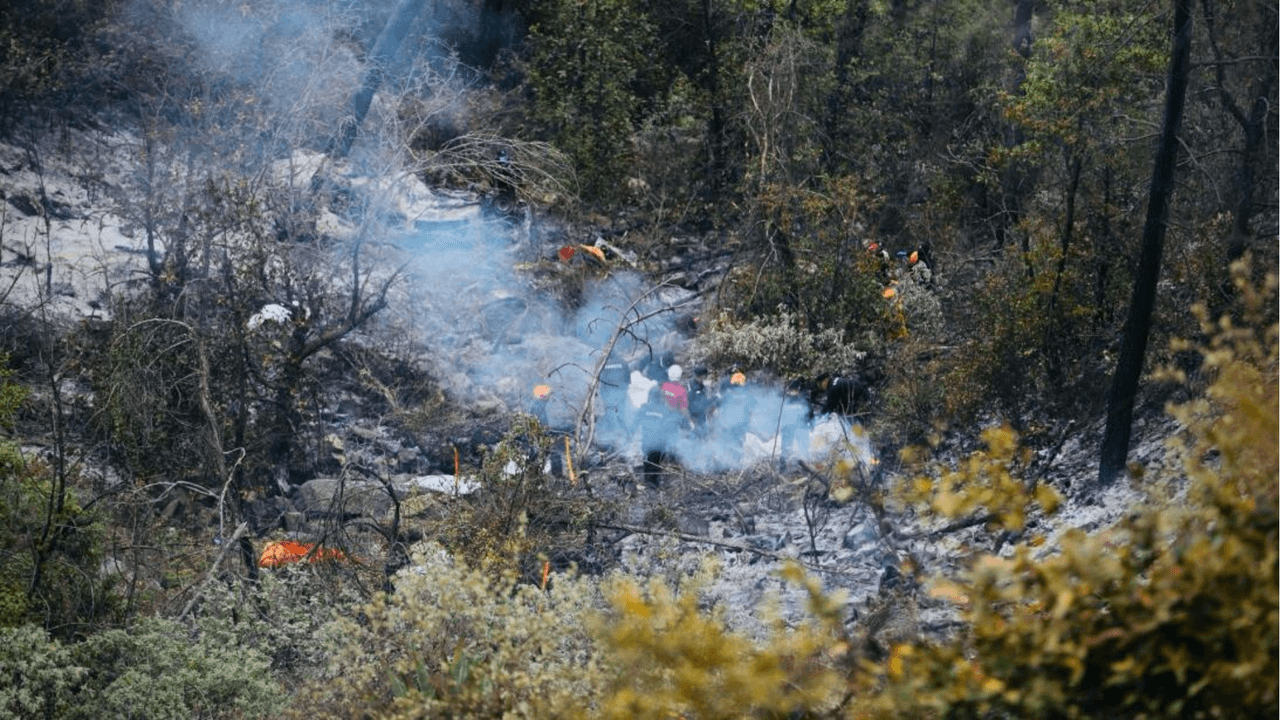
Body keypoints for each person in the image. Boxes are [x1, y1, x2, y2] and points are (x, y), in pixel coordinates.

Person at [639, 383, 682, 487]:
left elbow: (635, 423)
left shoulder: (644, 408)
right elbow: (670, 427)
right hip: (659, 444)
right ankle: (652, 484)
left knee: (648, 460)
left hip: (646, 443)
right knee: (655, 464)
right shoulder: (665, 410)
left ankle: (648, 480)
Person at [597, 352, 632, 445]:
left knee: (609, 412)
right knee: (621, 413)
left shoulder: (603, 363)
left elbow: (599, 379)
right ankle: (625, 436)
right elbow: (628, 380)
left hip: (607, 392)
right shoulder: (622, 362)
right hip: (620, 391)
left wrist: (603, 392)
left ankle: (610, 435)